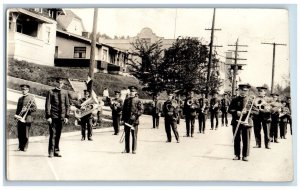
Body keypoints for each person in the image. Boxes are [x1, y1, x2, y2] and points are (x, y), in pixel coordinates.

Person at [45, 78, 70, 158]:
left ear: (63, 84)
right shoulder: (51, 92)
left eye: (61, 83)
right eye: (59, 83)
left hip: (61, 117)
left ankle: (56, 151)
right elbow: (47, 105)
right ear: (55, 83)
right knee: (53, 134)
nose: (60, 84)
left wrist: (67, 116)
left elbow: (67, 105)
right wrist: (48, 116)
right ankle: (51, 152)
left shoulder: (65, 92)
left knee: (58, 134)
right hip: (53, 117)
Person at [228, 84, 253, 161]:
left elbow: (256, 111)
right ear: (239, 90)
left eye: (245, 90)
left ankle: (245, 155)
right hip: (236, 122)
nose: (243, 92)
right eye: (241, 90)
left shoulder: (251, 100)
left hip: (247, 123)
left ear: (248, 91)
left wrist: (248, 111)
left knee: (246, 139)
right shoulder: (234, 99)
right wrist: (236, 112)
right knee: (237, 139)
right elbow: (229, 110)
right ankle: (237, 155)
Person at [14, 84, 37, 152]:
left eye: (25, 89)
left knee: (26, 134)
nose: (23, 91)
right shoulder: (20, 98)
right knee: (20, 133)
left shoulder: (31, 98)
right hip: (20, 118)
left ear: (28, 90)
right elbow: (18, 109)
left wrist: (27, 109)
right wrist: (16, 116)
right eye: (22, 89)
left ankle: (25, 147)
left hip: (27, 118)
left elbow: (35, 108)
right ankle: (20, 147)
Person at [121, 86, 144, 154]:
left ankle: (134, 149)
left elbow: (141, 110)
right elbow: (124, 111)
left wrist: (135, 115)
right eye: (131, 91)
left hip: (134, 121)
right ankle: (126, 149)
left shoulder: (138, 100)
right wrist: (123, 119)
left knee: (134, 135)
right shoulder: (126, 100)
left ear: (136, 92)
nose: (132, 93)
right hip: (127, 120)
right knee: (126, 135)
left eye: (133, 91)